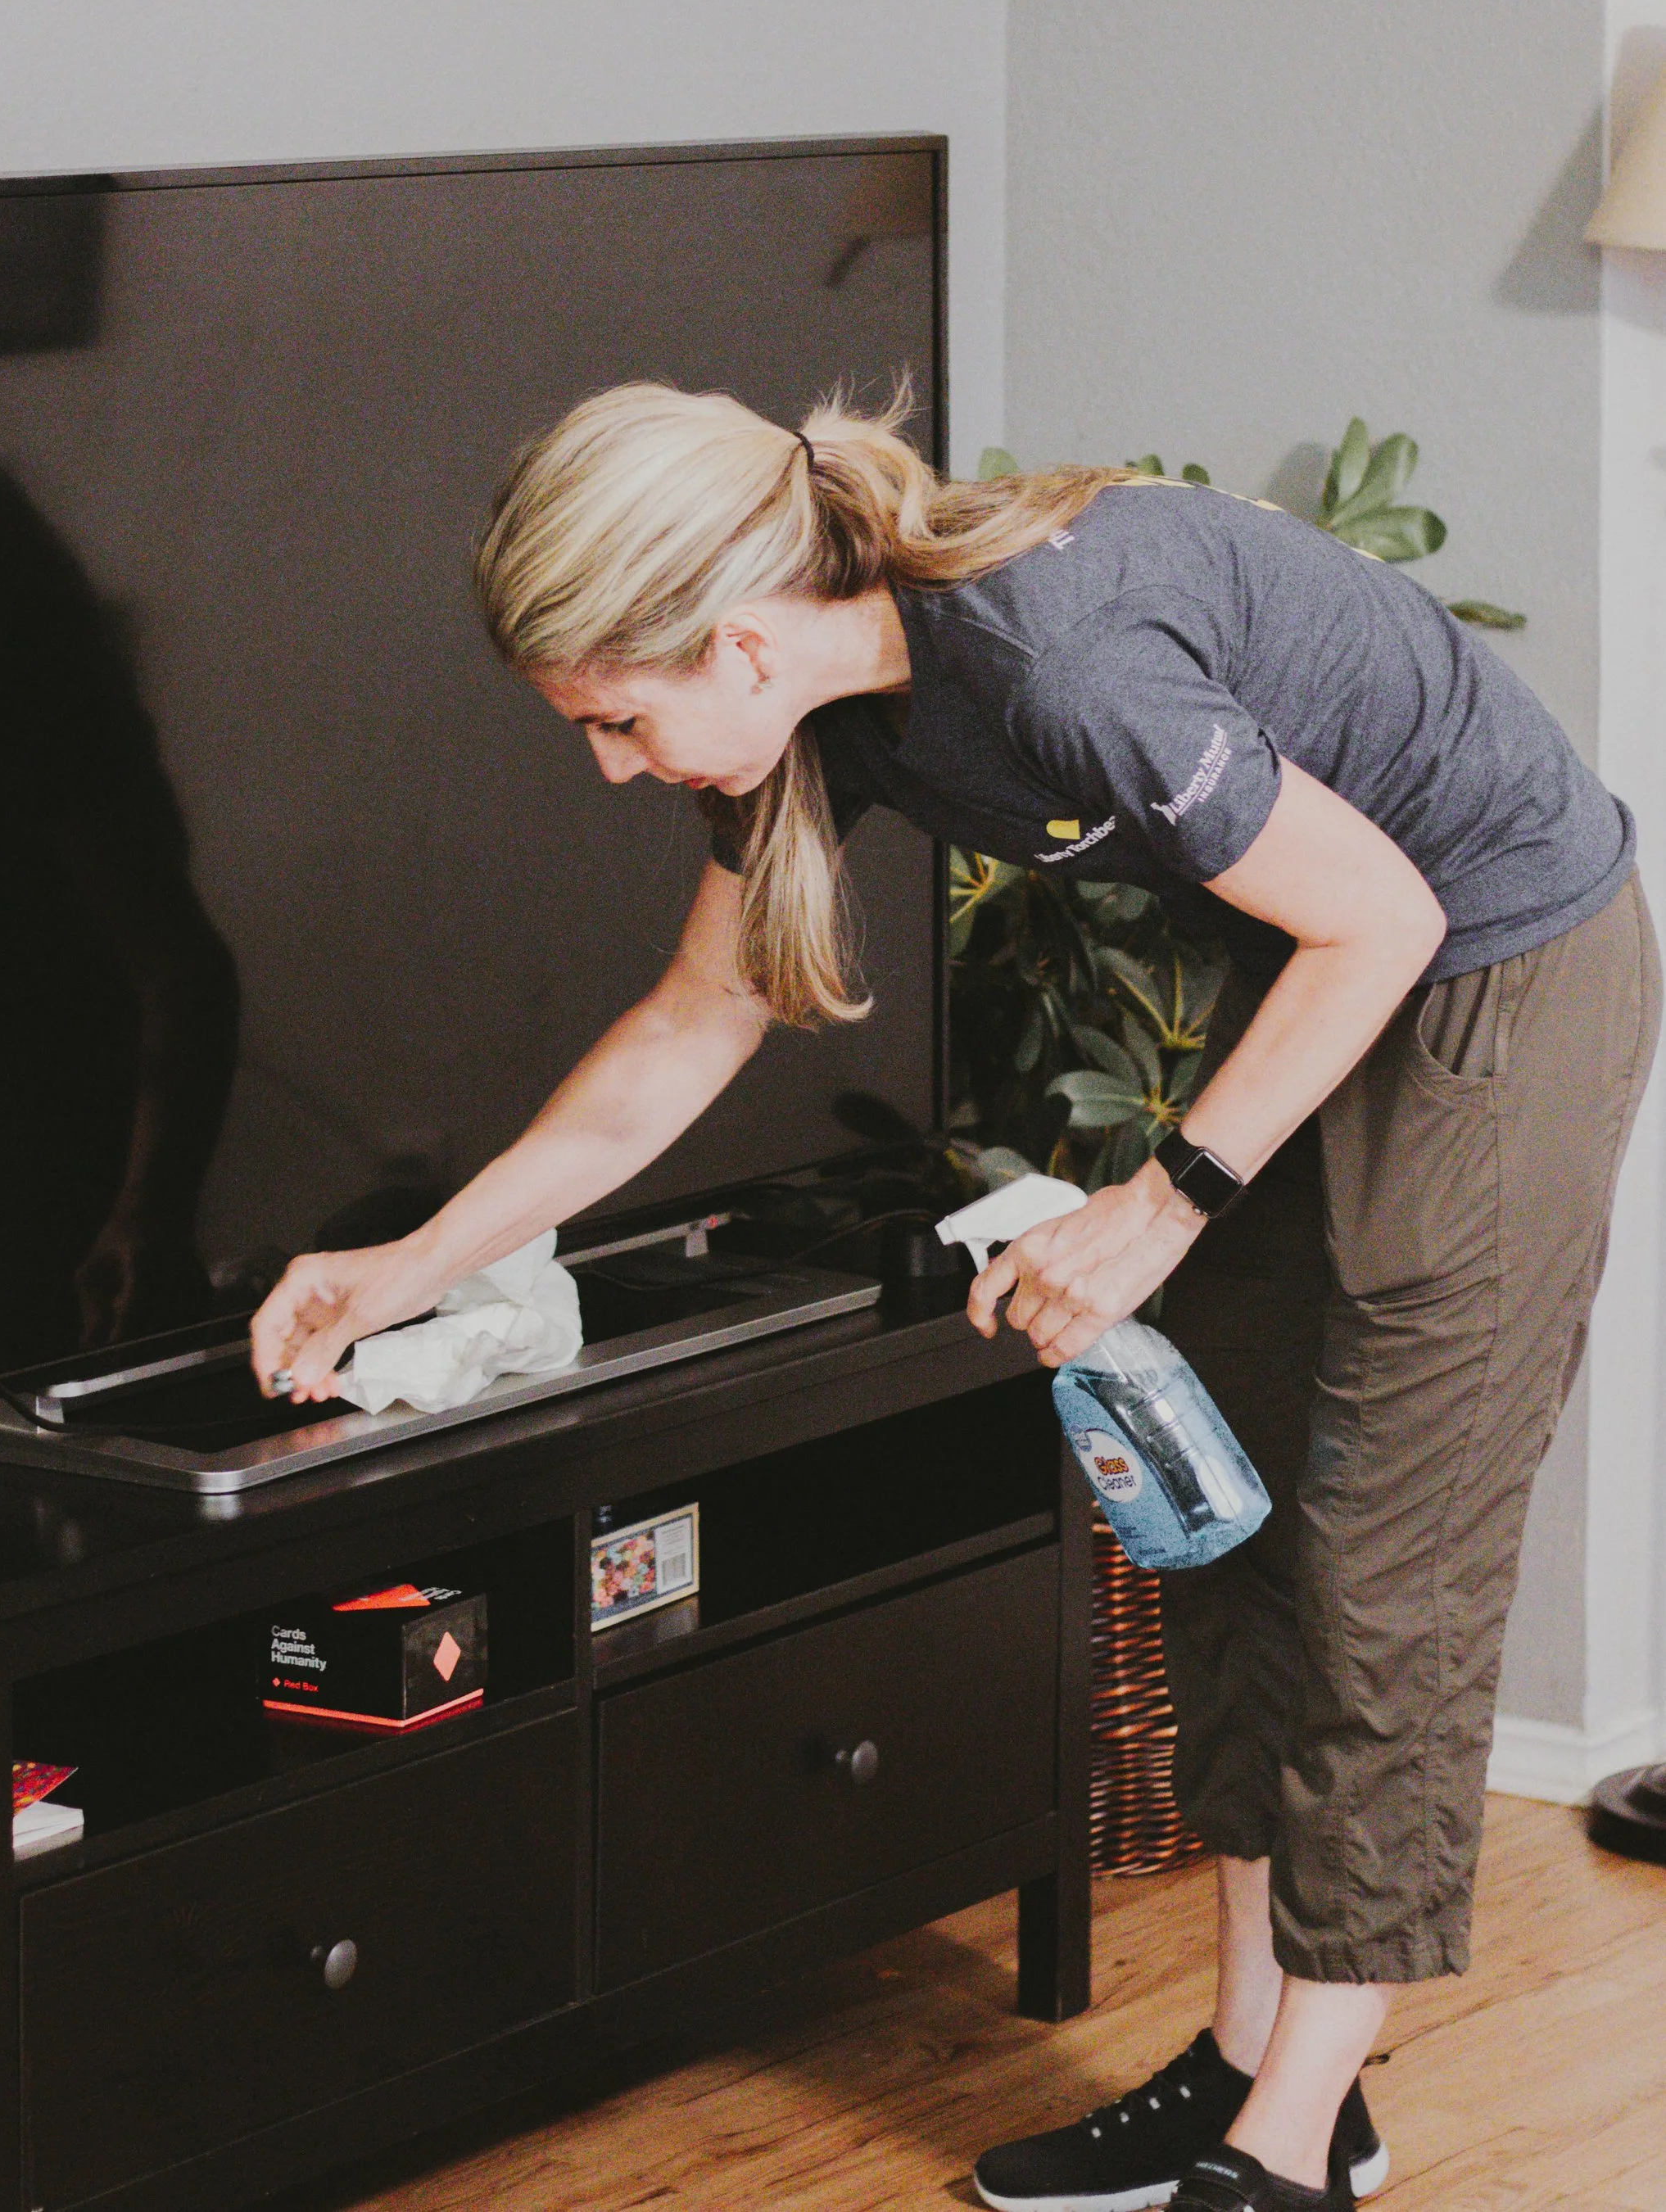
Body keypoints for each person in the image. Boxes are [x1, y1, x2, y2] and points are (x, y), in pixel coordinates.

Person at [251, 384, 1658, 2212]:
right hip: (1321, 967)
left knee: (1385, 1571)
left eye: (619, 717)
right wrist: (403, 1268)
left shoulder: (1054, 660)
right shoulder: (824, 712)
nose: (611, 764)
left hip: (1493, 972)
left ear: (734, 639)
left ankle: (1284, 2160)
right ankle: (1263, 2069)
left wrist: (1162, 1205)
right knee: (1219, 1507)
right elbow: (685, 1030)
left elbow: (1382, 918)